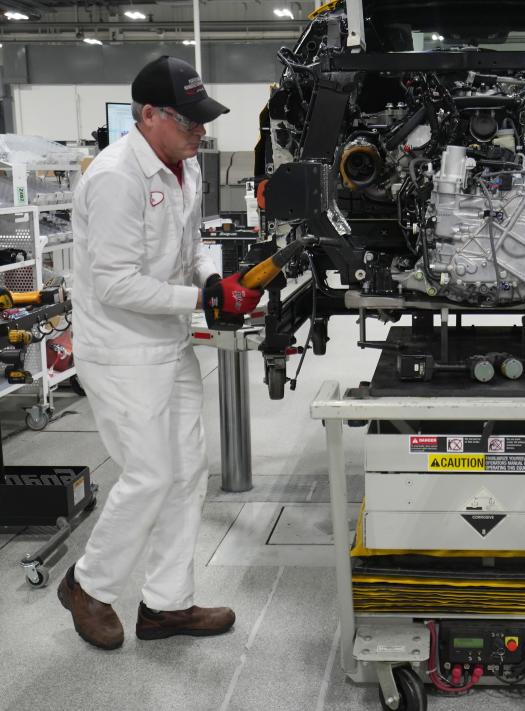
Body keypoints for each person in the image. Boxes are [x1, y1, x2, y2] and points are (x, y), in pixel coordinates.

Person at [58, 56, 262, 650]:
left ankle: (166, 606)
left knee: (185, 474)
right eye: (189, 120)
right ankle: (89, 587)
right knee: (148, 475)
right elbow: (117, 282)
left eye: (203, 121)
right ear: (148, 115)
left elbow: (193, 245)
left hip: (169, 343)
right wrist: (200, 297)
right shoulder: (116, 177)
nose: (201, 131)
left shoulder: (184, 168)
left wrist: (216, 279)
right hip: (120, 351)